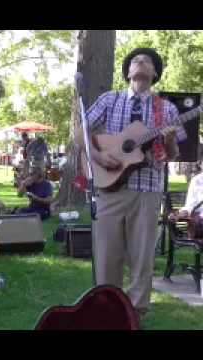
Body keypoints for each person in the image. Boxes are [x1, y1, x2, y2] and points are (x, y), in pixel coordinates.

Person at [80, 48, 186, 319]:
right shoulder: (109, 100)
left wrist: (171, 139)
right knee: (106, 256)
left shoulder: (168, 109)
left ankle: (134, 315)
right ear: (127, 72)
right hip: (108, 188)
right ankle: (105, 311)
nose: (141, 62)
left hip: (148, 190)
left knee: (142, 258)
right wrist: (99, 156)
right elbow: (80, 132)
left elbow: (172, 155)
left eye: (148, 61)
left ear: (155, 74)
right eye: (136, 60)